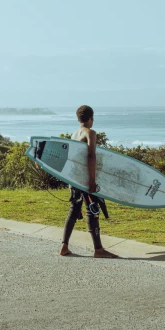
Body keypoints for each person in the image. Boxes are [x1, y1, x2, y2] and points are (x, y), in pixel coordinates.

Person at [59, 105, 118, 258]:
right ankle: (98, 250)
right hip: (84, 179)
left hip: (74, 179)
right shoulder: (90, 133)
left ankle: (64, 246)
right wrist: (92, 180)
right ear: (91, 118)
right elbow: (91, 156)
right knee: (92, 210)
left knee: (74, 209)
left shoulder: (74, 134)